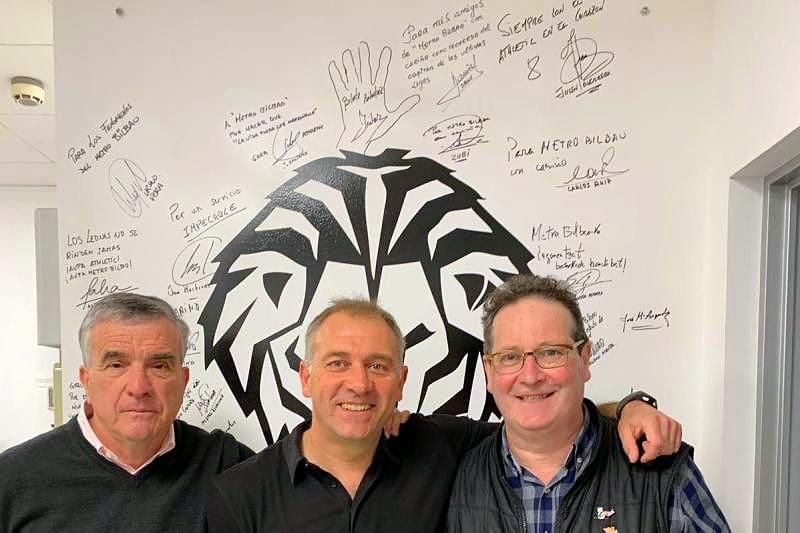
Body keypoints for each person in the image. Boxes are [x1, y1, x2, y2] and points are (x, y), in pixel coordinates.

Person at [207, 298, 683, 532]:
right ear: (306, 378)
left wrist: (627, 408)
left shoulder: (439, 447)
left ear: (400, 381)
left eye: (378, 365)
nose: (359, 383)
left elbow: (540, 419)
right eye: (337, 364)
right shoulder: (240, 495)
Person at [447, 274, 730, 532]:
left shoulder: (661, 473)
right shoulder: (460, 476)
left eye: (550, 353)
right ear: (489, 370)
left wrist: (630, 406)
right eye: (510, 357)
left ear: (585, 358)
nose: (530, 376)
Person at [0, 293, 254, 533]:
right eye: (116, 365)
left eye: (159, 365)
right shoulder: (13, 478)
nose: (138, 387)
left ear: (183, 379)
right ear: (85, 379)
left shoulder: (228, 463)